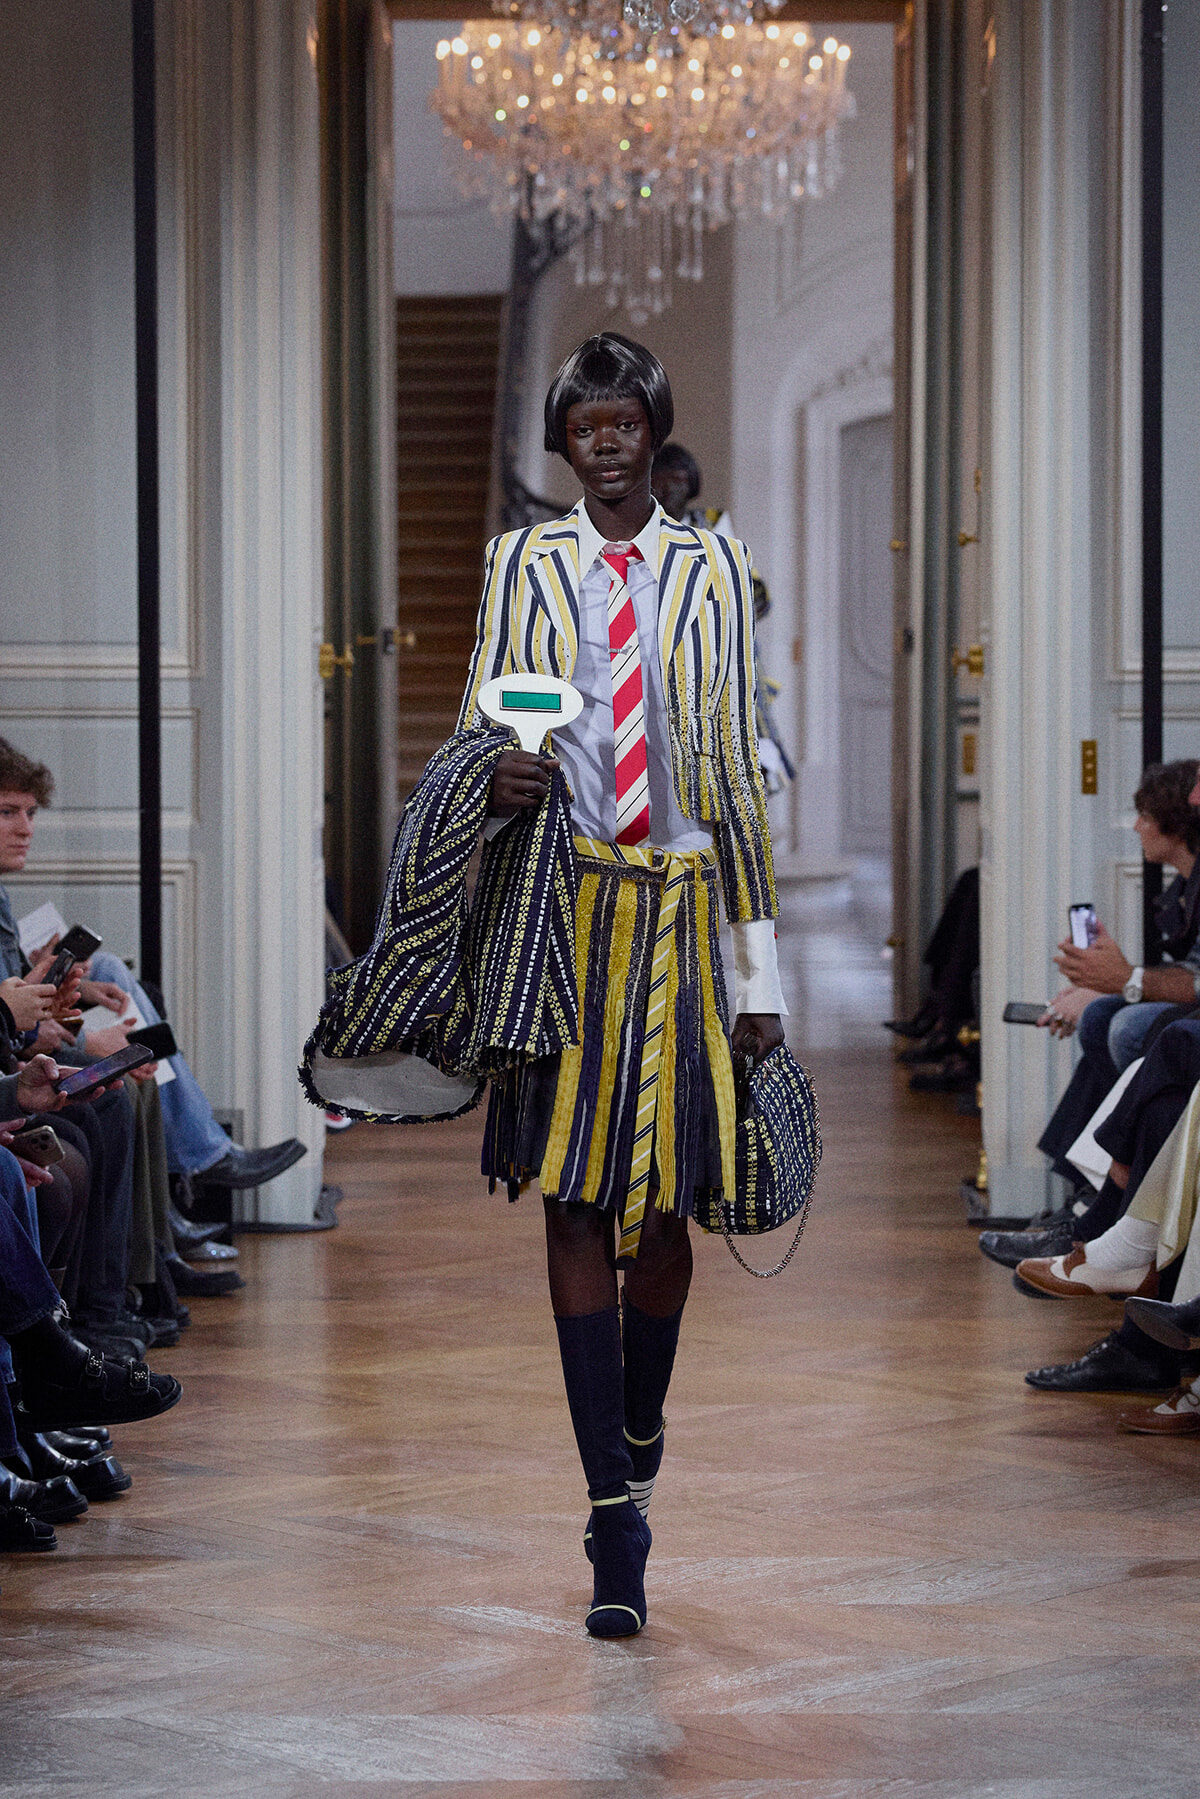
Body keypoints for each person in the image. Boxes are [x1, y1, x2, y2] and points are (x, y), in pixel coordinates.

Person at [459, 334, 785, 1638]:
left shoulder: (713, 565)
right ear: (563, 442)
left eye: (624, 419)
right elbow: (503, 713)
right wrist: (504, 765)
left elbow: (736, 760)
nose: (604, 441)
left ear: (655, 430)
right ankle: (611, 1513)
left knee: (668, 1219)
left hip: (690, 913)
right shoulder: (524, 564)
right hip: (570, 907)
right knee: (575, 1200)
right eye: (582, 424)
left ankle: (641, 1416)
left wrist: (759, 971)